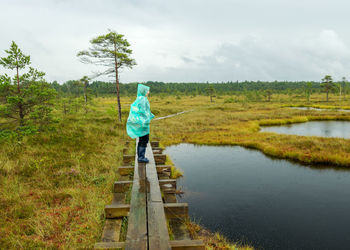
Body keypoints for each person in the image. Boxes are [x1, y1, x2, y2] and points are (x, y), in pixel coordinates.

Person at [126, 84, 155, 163]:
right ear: (143, 91)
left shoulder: (139, 98)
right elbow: (143, 111)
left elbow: (143, 111)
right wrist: (147, 118)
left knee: (141, 139)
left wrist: (150, 115)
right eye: (147, 90)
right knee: (144, 140)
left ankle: (140, 156)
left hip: (141, 122)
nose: (148, 92)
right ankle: (141, 157)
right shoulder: (143, 99)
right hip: (143, 123)